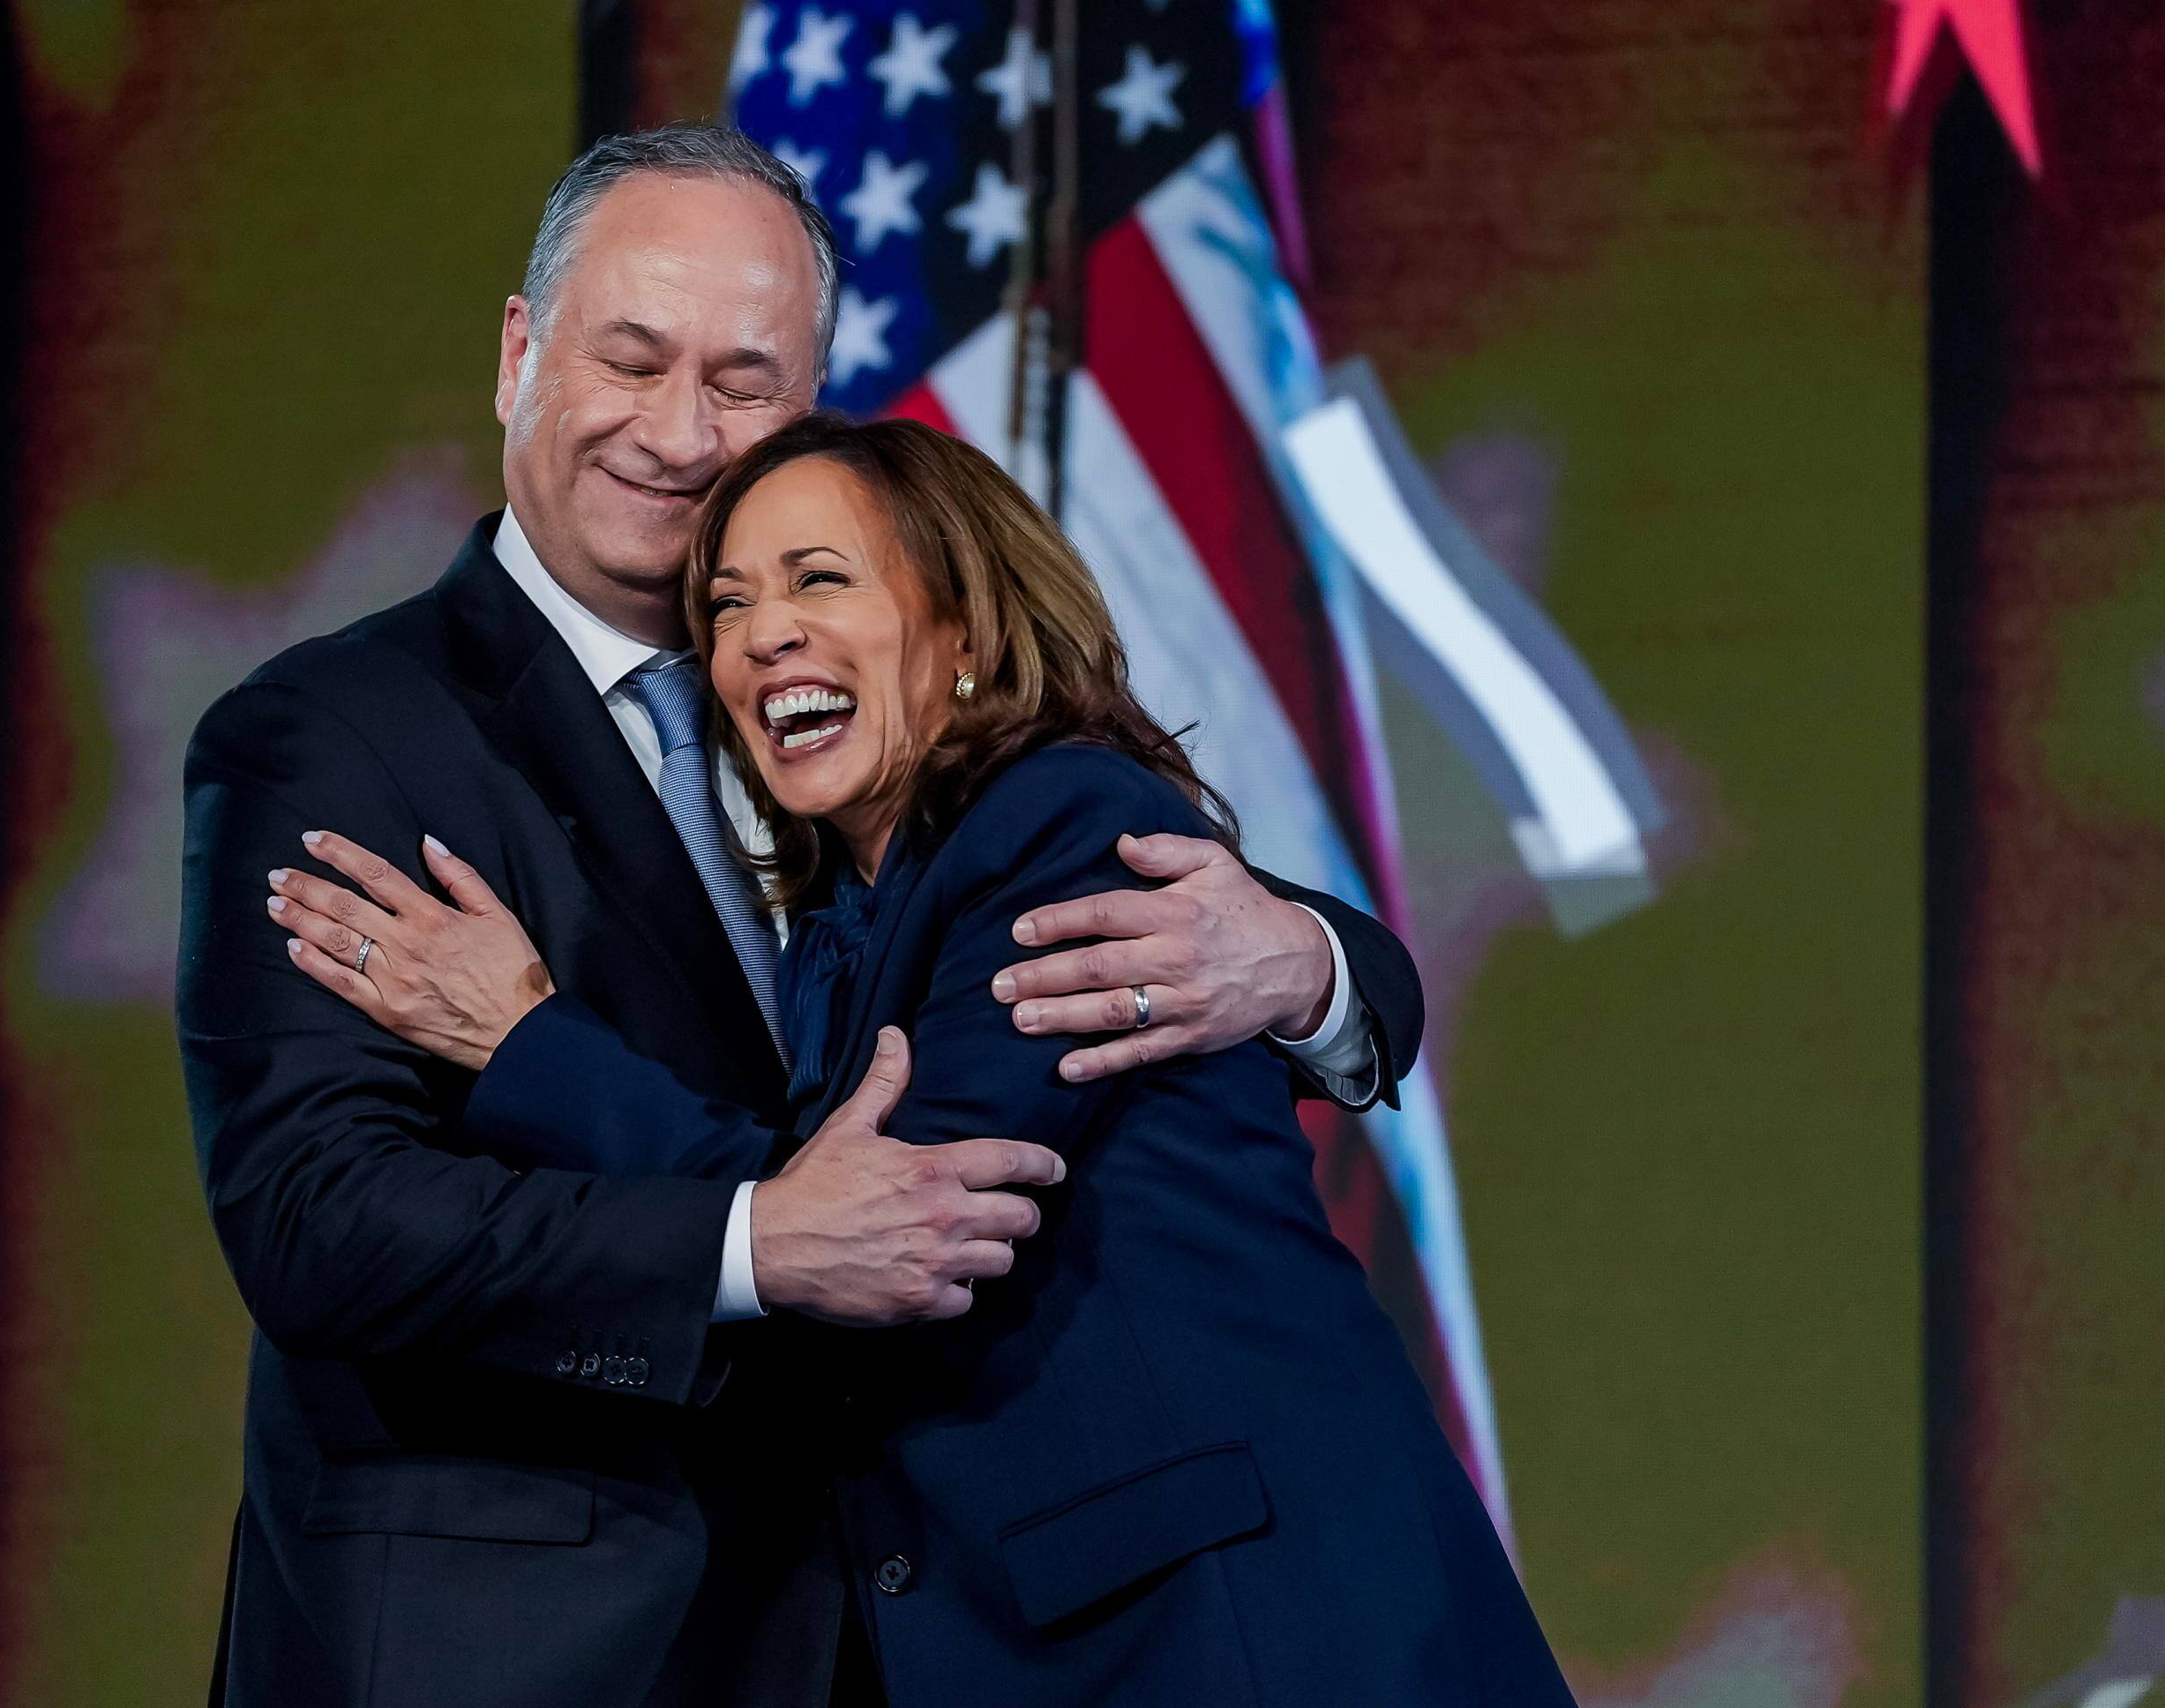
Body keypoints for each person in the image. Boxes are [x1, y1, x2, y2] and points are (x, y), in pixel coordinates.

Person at [181, 124, 1426, 1708]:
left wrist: (1308, 961)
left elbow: (1045, 875)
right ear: (518, 353)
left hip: (889, 1639)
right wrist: (757, 1241)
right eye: (630, 358)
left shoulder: (840, 714)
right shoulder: (339, 734)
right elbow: (318, 1221)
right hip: (511, 1656)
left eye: (744, 381)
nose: (680, 432)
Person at [294, 412, 1572, 1706]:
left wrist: (524, 1040)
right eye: (727, 605)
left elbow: (903, 1225)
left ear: (963, 630)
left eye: (818, 579)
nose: (761, 633)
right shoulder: (843, 928)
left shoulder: (1061, 821)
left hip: (1245, 1634)